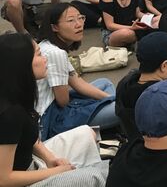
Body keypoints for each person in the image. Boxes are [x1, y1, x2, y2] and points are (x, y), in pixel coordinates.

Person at [0, 33, 108, 186]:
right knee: (95, 176)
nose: (45, 59)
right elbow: (4, 179)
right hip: (21, 180)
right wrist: (56, 172)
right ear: (21, 64)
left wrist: (51, 159)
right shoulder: (9, 114)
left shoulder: (13, 93)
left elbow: (27, 136)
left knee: (86, 133)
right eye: (39, 55)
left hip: (32, 164)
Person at [36, 3, 118, 140]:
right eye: (71, 20)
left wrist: (110, 99)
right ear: (54, 27)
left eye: (80, 18)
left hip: (52, 108)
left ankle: (110, 112)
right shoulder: (55, 53)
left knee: (104, 83)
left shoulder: (47, 45)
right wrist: (112, 103)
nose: (79, 24)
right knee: (125, 110)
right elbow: (63, 101)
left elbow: (78, 83)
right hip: (50, 120)